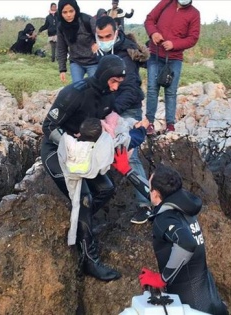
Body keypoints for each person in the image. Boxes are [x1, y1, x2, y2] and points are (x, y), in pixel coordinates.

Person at [41, 55, 127, 281]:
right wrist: (72, 145)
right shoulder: (74, 92)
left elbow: (109, 116)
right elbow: (47, 126)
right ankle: (89, 260)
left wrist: (118, 130)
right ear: (105, 76)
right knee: (85, 198)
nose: (116, 87)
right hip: (57, 150)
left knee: (106, 189)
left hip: (84, 152)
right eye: (114, 81)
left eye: (119, 82)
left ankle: (80, 227)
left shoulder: (108, 94)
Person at [110, 156, 229, 314]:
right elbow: (153, 196)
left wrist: (161, 279)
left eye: (151, 185)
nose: (149, 188)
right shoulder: (184, 204)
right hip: (209, 297)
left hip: (192, 304)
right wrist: (128, 171)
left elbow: (186, 243)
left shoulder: (164, 219)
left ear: (157, 194)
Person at [95, 15, 153, 224]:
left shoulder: (125, 56)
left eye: (108, 35)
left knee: (128, 154)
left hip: (127, 110)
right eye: (100, 36)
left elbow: (130, 90)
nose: (104, 39)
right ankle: (98, 200)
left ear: (116, 33)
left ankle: (146, 204)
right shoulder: (101, 53)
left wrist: (114, 112)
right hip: (109, 109)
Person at [144, 0, 200, 135]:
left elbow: (193, 38)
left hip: (174, 58)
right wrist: (153, 33)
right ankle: (149, 123)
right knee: (152, 89)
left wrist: (174, 44)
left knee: (170, 92)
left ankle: (170, 125)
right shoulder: (166, 2)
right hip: (155, 54)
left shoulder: (194, 13)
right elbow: (149, 20)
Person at [56, 0, 99, 83]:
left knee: (95, 87)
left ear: (76, 9)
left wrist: (98, 44)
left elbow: (101, 36)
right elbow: (61, 48)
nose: (68, 15)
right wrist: (62, 69)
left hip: (93, 62)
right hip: (76, 62)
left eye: (71, 11)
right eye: (64, 12)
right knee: (77, 87)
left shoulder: (87, 20)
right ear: (60, 13)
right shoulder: (61, 27)